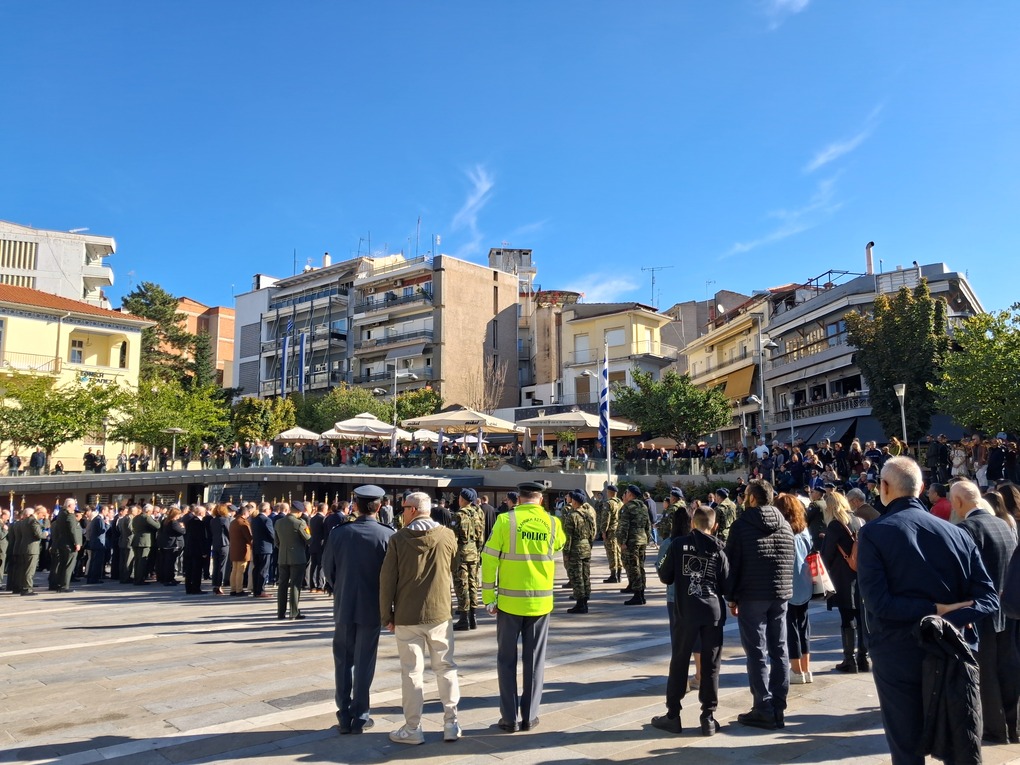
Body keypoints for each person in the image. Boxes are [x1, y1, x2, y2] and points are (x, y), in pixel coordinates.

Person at [857, 456, 998, 765]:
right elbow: (988, 598)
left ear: (884, 487)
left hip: (898, 651)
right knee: (958, 741)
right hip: (949, 649)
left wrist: (936, 612)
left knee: (907, 749)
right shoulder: (956, 533)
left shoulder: (874, 533)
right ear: (921, 489)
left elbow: (879, 603)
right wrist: (946, 616)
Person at [379, 492, 462, 745]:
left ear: (413, 510)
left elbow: (387, 580)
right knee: (446, 667)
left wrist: (386, 615)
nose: (401, 512)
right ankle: (451, 724)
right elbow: (455, 567)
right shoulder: (447, 535)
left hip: (407, 615)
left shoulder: (398, 539)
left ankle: (413, 727)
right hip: (439, 613)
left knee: (412, 673)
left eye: (403, 508)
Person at [481, 481, 564, 732]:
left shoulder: (506, 521)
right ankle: (529, 717)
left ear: (518, 499)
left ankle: (509, 719)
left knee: (506, 661)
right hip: (540, 603)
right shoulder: (553, 523)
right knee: (534, 661)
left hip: (508, 603)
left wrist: (488, 597)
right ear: (541, 499)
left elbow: (489, 558)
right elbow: (559, 544)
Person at [322, 484, 394, 734]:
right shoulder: (387, 535)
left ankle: (344, 715)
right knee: (365, 662)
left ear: (356, 505)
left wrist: (341, 588)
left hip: (344, 605)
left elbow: (328, 570)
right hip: (372, 607)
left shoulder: (339, 533)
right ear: (379, 506)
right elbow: (391, 576)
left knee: (343, 661)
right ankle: (361, 715)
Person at [951, 480, 1019, 744]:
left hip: (981, 610)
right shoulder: (1003, 523)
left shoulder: (966, 529)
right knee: (1009, 668)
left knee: (987, 671)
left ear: (958, 502)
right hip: (1007, 607)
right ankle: (1014, 727)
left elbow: (962, 574)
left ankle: (996, 729)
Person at [724, 479, 794, 731]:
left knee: (756, 652)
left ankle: (763, 707)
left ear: (752, 498)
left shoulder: (742, 525)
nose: (743, 499)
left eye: (745, 495)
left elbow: (732, 563)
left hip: (752, 594)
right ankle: (778, 706)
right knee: (779, 649)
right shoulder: (785, 524)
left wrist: (731, 596)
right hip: (780, 593)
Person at [652, 505, 729, 736]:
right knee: (711, 664)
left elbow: (665, 575)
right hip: (712, 612)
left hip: (686, 611)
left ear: (693, 523)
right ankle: (708, 717)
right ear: (714, 526)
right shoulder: (719, 548)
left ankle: (673, 714)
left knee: (679, 661)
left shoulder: (678, 545)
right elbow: (727, 584)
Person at [821, 492, 867, 672]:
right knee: (861, 618)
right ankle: (863, 658)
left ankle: (850, 660)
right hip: (860, 574)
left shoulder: (835, 525)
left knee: (847, 618)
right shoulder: (858, 520)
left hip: (843, 575)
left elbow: (827, 554)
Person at [451, 488, 483, 631]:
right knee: (472, 584)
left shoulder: (458, 515)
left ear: (462, 499)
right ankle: (473, 618)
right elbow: (481, 538)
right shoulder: (477, 514)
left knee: (461, 585)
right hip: (474, 553)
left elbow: (453, 538)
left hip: (461, 554)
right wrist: (477, 551)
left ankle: (464, 619)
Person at [561, 490, 597, 614]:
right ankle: (585, 600)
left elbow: (568, 537)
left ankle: (580, 603)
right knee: (585, 575)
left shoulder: (572, 516)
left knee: (577, 577)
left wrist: (566, 553)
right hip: (586, 547)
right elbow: (593, 532)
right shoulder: (588, 515)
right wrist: (589, 545)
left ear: (575, 502)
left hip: (576, 549)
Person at [274, 501, 311, 620]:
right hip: (297, 558)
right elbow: (309, 539)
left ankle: (281, 612)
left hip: (282, 557)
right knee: (295, 585)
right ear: (299, 512)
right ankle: (293, 612)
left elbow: (276, 542)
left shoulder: (279, 522)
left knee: (282, 585)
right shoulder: (300, 523)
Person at [618, 484, 651, 605]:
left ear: (630, 494)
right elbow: (648, 524)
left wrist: (622, 541)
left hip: (632, 541)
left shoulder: (627, 507)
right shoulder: (643, 506)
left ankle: (637, 595)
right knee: (640, 567)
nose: (625, 494)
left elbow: (624, 526)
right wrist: (647, 538)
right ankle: (641, 594)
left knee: (633, 567)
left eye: (626, 492)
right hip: (642, 540)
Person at [50, 498, 83, 593]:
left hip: (62, 543)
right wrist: (76, 543)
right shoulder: (70, 515)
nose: (75, 507)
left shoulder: (61, 514)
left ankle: (60, 584)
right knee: (68, 565)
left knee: (62, 564)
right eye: (74, 505)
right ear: (69, 505)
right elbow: (72, 530)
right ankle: (64, 585)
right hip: (69, 544)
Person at [182, 504, 209, 594]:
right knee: (196, 570)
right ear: (201, 513)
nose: (205, 513)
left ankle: (188, 588)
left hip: (189, 549)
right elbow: (201, 538)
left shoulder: (190, 521)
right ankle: (196, 588)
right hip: (197, 550)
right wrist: (204, 551)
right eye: (204, 512)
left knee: (189, 570)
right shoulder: (200, 523)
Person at [600, 484, 623, 584]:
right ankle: (619, 574)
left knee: (611, 552)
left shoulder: (609, 503)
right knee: (618, 552)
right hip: (619, 530)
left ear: (609, 492)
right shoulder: (620, 503)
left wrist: (603, 531)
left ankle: (613, 575)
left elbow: (606, 518)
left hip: (611, 531)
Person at [250, 502, 274, 599]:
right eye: (269, 509)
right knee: (263, 569)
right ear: (266, 510)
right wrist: (277, 542)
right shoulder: (266, 520)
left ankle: (256, 589)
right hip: (265, 547)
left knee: (256, 568)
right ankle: (261, 590)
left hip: (256, 546)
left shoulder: (255, 519)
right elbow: (271, 534)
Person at [132, 505, 160, 585]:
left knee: (137, 561)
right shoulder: (147, 517)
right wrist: (156, 519)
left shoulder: (136, 517)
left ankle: (137, 578)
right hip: (145, 542)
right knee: (142, 561)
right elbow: (157, 526)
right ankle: (140, 580)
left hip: (136, 540)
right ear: (149, 511)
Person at [228, 506, 253, 596]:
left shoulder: (233, 522)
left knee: (234, 570)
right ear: (245, 513)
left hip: (234, 548)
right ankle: (239, 590)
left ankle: (233, 589)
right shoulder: (243, 523)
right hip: (243, 549)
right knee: (240, 570)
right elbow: (249, 538)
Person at [85, 505, 110, 584]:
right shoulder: (99, 519)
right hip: (98, 544)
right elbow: (102, 530)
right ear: (103, 510)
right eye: (107, 511)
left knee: (93, 561)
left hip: (94, 543)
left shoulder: (96, 519)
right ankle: (94, 578)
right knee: (97, 562)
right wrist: (107, 524)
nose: (107, 513)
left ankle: (91, 578)